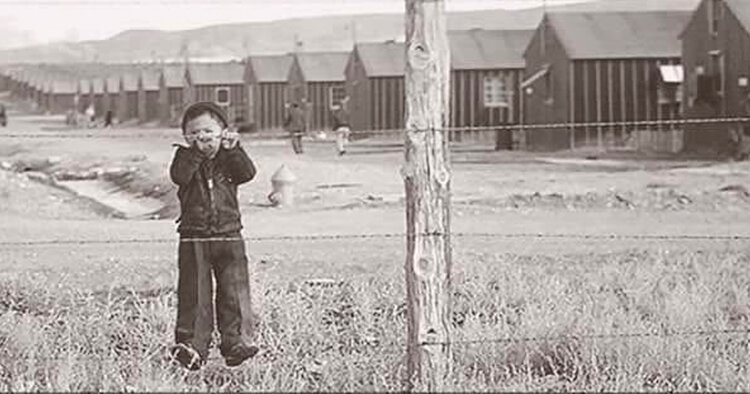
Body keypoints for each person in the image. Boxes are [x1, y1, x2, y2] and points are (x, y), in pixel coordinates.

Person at [169, 101, 259, 371]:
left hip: (229, 233)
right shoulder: (184, 158)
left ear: (224, 133)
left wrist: (234, 150)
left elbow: (247, 174)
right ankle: (192, 347)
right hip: (193, 236)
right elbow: (180, 177)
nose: (203, 139)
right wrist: (194, 153)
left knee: (234, 289)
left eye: (209, 132)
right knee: (194, 292)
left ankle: (237, 342)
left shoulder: (230, 159)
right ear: (186, 137)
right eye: (195, 133)